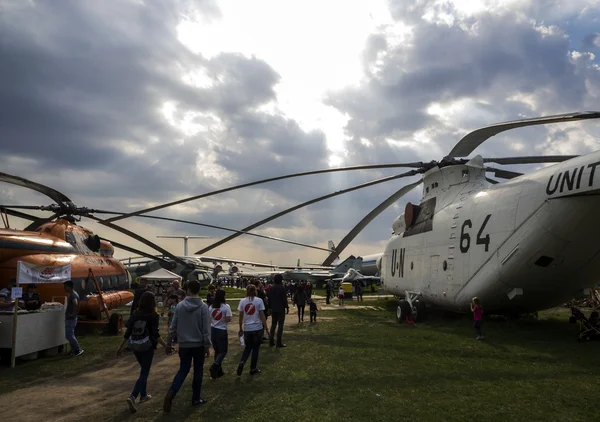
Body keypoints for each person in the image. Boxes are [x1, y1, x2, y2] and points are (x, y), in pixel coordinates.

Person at [163, 280, 211, 413]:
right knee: (198, 371)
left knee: (183, 370)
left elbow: (173, 327)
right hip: (199, 345)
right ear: (199, 290)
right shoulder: (203, 307)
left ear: (188, 290)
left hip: (184, 344)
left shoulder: (180, 306)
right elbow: (206, 329)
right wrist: (207, 346)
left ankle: (172, 392)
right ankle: (196, 398)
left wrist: (168, 343)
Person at [116, 291, 168, 413]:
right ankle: (133, 396)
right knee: (144, 372)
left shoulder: (135, 313)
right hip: (147, 346)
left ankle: (143, 394)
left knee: (143, 371)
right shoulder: (153, 315)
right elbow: (155, 335)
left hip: (135, 345)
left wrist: (120, 347)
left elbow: (128, 332)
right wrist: (166, 346)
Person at [237, 284, 267, 376]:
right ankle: (252, 368)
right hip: (257, 328)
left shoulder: (242, 301)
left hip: (247, 328)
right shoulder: (259, 301)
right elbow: (262, 315)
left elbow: (241, 316)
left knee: (247, 348)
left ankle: (242, 361)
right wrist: (266, 327)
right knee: (255, 349)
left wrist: (241, 327)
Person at [208, 289, 232, 379]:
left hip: (213, 329)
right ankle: (215, 366)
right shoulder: (226, 307)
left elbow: (209, 318)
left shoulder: (211, 307)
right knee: (223, 351)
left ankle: (218, 371)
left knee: (217, 351)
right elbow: (228, 319)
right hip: (221, 330)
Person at [267, 273, 289, 348]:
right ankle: (278, 342)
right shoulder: (282, 288)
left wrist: (269, 308)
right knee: (280, 326)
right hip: (280, 308)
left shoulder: (271, 288)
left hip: (273, 308)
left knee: (273, 325)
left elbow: (269, 299)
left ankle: (271, 341)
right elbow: (284, 299)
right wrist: (287, 307)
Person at [64, 280, 83, 356]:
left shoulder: (73, 295)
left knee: (69, 335)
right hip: (71, 318)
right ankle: (73, 350)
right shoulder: (73, 294)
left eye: (65, 287)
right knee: (70, 334)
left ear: (69, 287)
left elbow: (75, 303)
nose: (64, 288)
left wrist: (72, 314)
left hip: (71, 319)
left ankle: (78, 349)